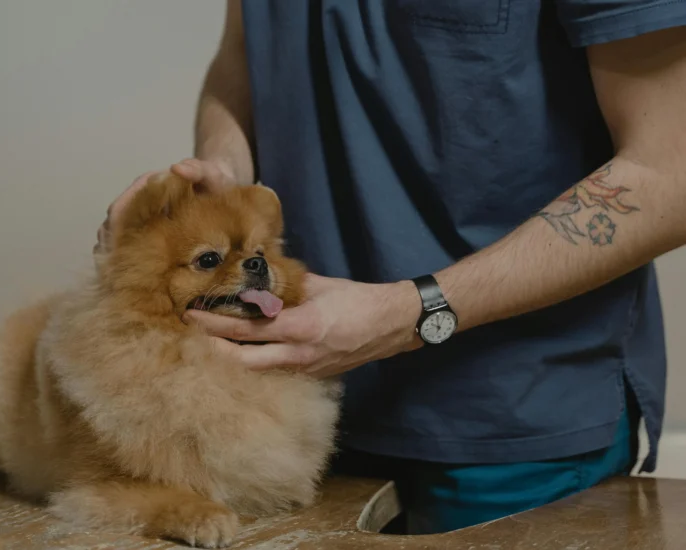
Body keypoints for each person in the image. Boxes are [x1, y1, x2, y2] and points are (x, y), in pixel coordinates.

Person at [96, 0, 686, 534]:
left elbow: (670, 174)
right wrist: (217, 179)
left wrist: (408, 313)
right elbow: (242, 55)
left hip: (509, 424)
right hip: (289, 412)